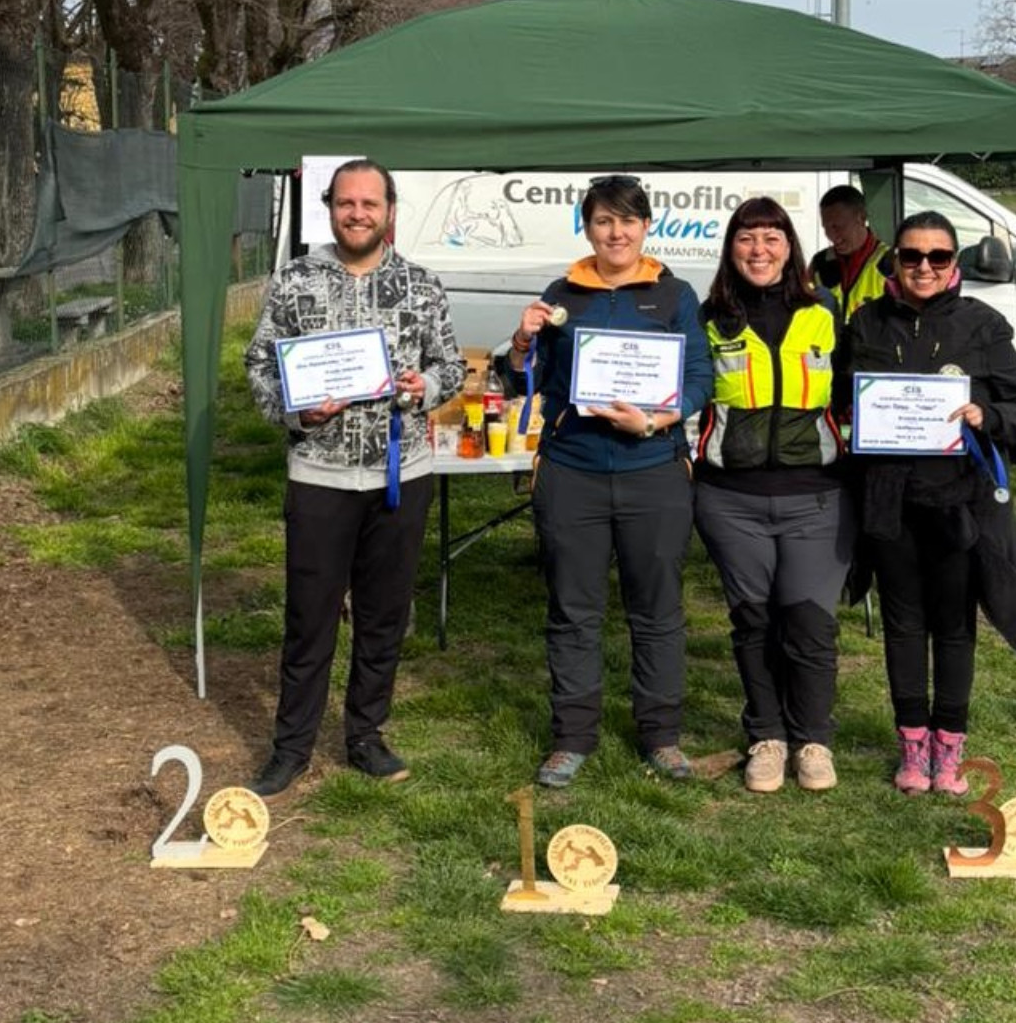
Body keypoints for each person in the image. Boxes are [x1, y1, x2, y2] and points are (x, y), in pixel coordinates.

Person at [242, 158, 465, 797]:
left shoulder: (422, 285)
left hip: (401, 472)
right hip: (320, 473)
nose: (358, 213)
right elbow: (259, 362)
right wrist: (295, 406)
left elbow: (450, 365)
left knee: (383, 615)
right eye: (346, 203)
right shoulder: (294, 280)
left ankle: (366, 735)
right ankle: (291, 747)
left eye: (370, 203)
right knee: (310, 617)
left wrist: (429, 387)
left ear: (390, 210)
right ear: (330, 208)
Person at [507, 174, 712, 788]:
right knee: (573, 612)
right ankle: (571, 737)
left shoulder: (674, 295)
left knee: (658, 611)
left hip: (654, 469)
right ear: (587, 228)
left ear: (647, 226)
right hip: (574, 471)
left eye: (627, 221)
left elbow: (700, 376)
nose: (616, 232)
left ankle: (661, 735)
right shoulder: (561, 292)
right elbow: (527, 382)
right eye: (603, 221)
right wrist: (521, 342)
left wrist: (655, 419)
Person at [835, 211, 1016, 796]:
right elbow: (840, 396)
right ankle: (911, 743)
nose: (924, 267)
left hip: (959, 501)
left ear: (954, 263)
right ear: (893, 260)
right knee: (903, 624)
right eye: (911, 256)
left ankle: (948, 747)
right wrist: (856, 412)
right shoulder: (867, 321)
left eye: (938, 257)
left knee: (952, 626)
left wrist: (987, 415)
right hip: (890, 499)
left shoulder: (982, 323)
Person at [692, 197, 853, 793]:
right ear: (731, 248)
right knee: (753, 621)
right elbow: (688, 395)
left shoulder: (825, 312)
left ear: (790, 246)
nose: (759, 250)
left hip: (817, 497)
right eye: (746, 238)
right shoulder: (709, 317)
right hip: (730, 499)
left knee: (810, 622)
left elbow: (855, 394)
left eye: (771, 237)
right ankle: (766, 736)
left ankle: (812, 740)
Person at [810, 184, 894, 318]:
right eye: (826, 227)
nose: (832, 235)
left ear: (862, 218)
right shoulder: (819, 263)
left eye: (838, 227)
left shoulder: (890, 262)